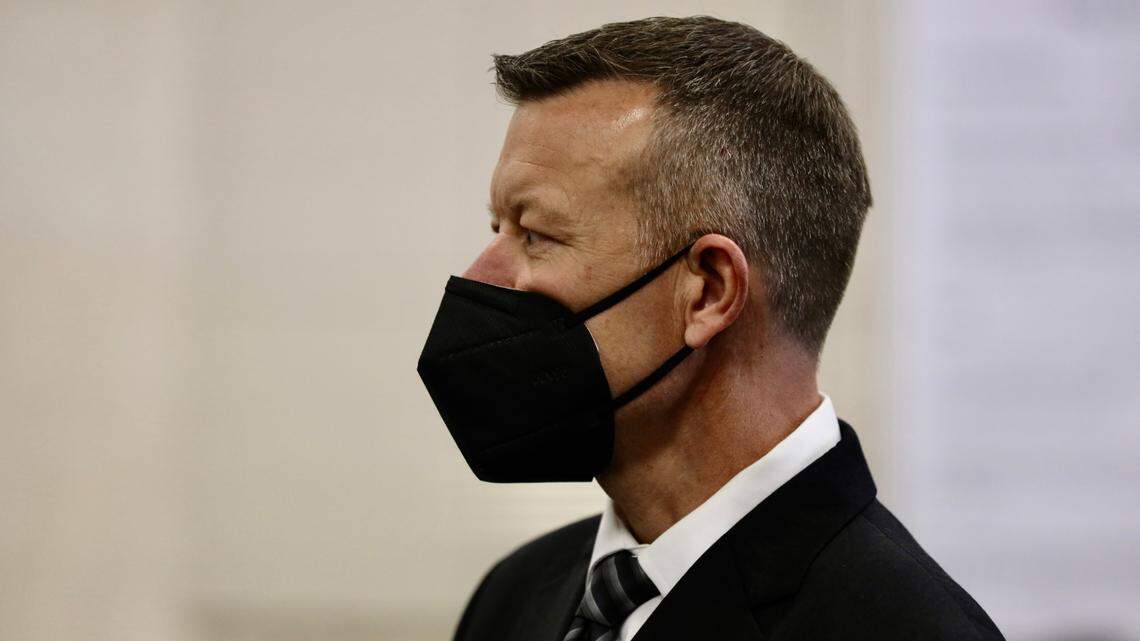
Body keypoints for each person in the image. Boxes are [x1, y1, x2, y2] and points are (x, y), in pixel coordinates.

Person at [416, 15, 1005, 641]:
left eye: (536, 235)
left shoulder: (905, 629)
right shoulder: (515, 597)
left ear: (709, 291)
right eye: (496, 230)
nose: (482, 276)